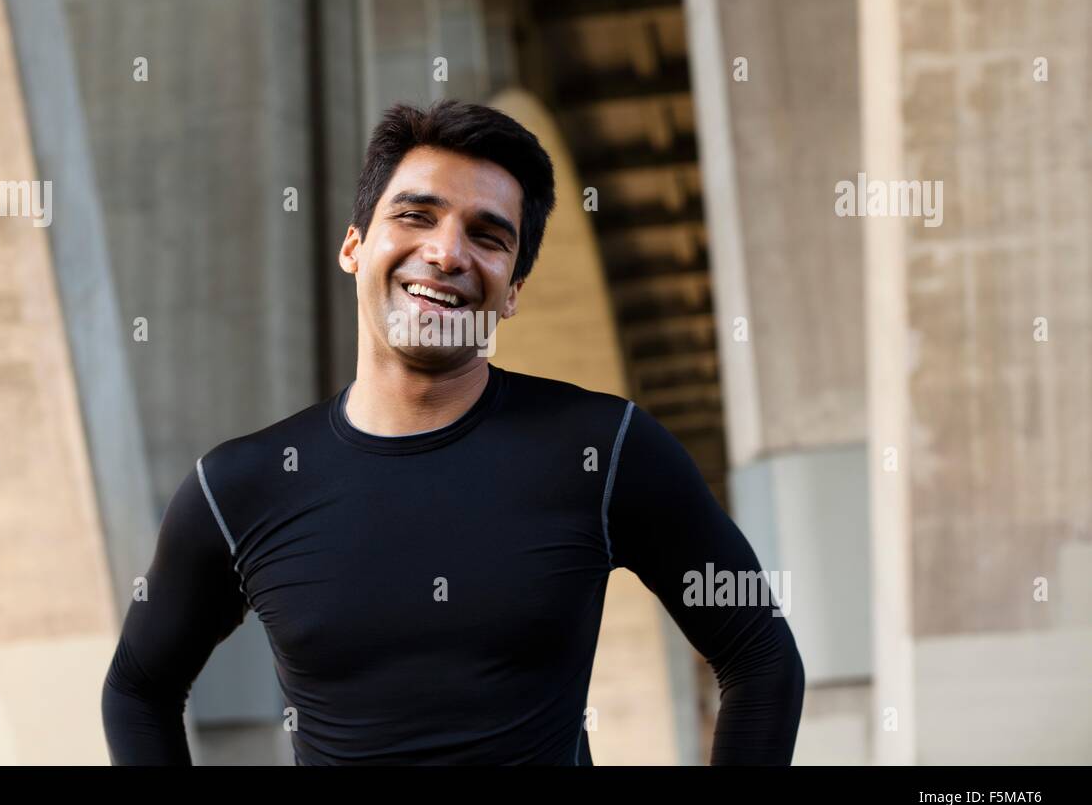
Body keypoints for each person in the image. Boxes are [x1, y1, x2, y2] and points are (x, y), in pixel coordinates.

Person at [101, 99, 805, 765]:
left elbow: (761, 657)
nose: (446, 253)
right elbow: (138, 688)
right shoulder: (240, 486)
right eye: (416, 216)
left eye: (488, 235)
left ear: (514, 291)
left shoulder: (603, 450)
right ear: (354, 246)